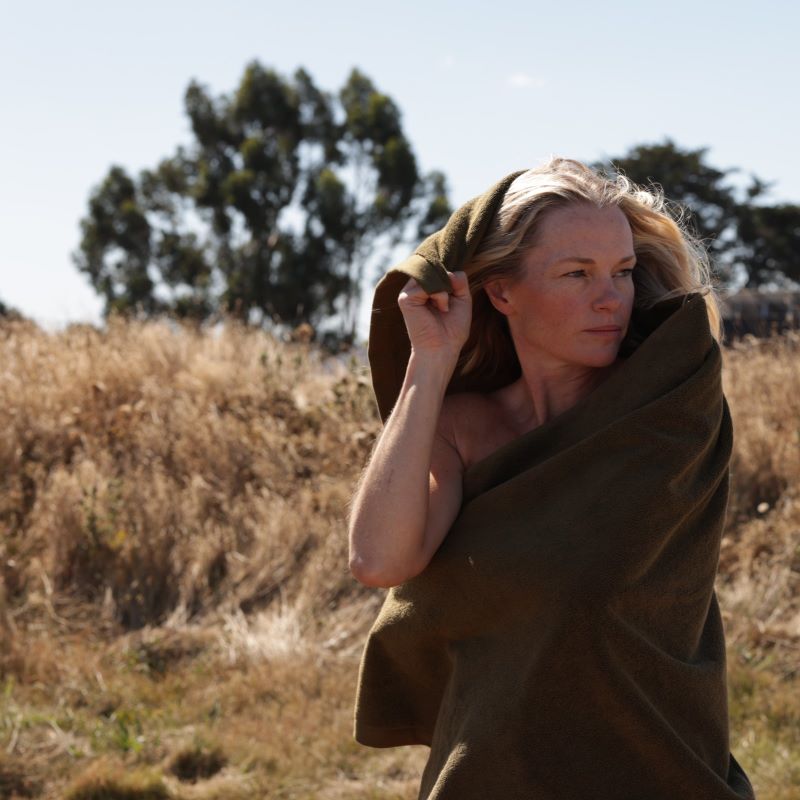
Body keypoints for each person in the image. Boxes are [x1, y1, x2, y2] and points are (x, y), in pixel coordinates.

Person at [348, 158, 755, 799]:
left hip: (656, 768)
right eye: (576, 274)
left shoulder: (668, 415)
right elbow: (378, 558)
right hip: (485, 774)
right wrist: (429, 362)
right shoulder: (463, 426)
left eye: (622, 272)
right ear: (502, 292)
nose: (610, 298)